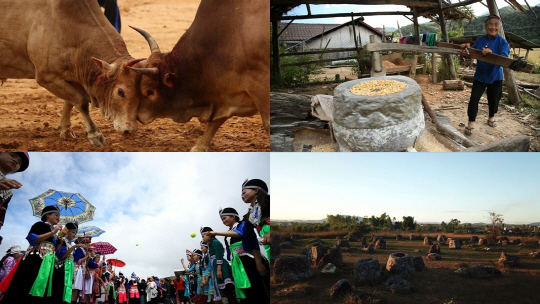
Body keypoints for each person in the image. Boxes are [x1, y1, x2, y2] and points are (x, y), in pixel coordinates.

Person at [205, 207, 270, 303]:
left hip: (250, 260)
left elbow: (252, 243)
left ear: (233, 217)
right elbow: (230, 254)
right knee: (244, 290)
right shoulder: (228, 234)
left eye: (225, 218)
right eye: (222, 219)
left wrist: (258, 263)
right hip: (238, 264)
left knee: (256, 288)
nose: (223, 221)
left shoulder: (243, 225)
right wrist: (233, 269)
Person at [0, 205, 63, 303]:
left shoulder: (54, 232)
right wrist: (52, 232)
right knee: (29, 282)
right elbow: (32, 239)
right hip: (36, 259)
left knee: (45, 286)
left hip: (48, 261)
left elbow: (56, 250)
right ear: (48, 215)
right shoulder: (40, 225)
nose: (58, 217)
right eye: (56, 215)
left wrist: (60, 241)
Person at [460, 15, 510, 136]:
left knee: (494, 100)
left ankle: (491, 117)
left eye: (496, 24)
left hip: (496, 76)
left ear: (499, 27)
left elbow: (503, 59)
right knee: (474, 99)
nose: (493, 27)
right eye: (490, 24)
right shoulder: (480, 40)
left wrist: (491, 54)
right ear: (486, 26)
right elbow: (472, 53)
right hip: (480, 75)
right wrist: (466, 48)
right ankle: (471, 122)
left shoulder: (502, 42)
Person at [52, 222, 86, 304]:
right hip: (62, 267)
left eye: (75, 233)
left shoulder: (72, 244)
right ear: (67, 232)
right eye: (73, 232)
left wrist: (73, 273)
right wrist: (74, 247)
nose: (74, 234)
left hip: (70, 268)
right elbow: (62, 256)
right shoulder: (62, 241)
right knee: (60, 288)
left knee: (68, 288)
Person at [201, 227, 236, 304]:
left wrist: (219, 269)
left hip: (221, 267)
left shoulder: (215, 242)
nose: (203, 239)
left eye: (203, 236)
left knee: (228, 291)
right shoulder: (210, 244)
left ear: (210, 235)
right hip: (216, 267)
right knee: (225, 292)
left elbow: (219, 255)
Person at [241, 179, 271, 262]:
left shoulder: (269, 200)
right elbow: (244, 232)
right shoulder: (249, 215)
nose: (242, 196)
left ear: (256, 190)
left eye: (244, 192)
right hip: (266, 242)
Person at [0, 152, 30, 230]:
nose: (16, 160)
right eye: (12, 155)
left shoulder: (9, 191)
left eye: (19, 162)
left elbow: (1, 214)